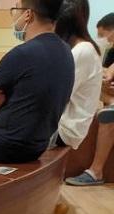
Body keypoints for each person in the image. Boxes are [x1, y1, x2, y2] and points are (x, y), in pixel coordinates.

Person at [0, 0, 74, 172]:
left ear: (28, 14)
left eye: (15, 9)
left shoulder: (23, 53)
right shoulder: (66, 52)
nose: (14, 15)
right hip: (37, 147)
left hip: (0, 148)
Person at [66, 11, 114, 184]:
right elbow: (105, 74)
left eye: (103, 35)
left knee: (109, 118)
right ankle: (111, 104)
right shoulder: (108, 52)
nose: (102, 39)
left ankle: (96, 171)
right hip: (108, 97)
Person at [53, 0, 102, 150]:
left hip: (64, 130)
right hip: (65, 127)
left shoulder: (82, 51)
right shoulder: (82, 49)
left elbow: (57, 96)